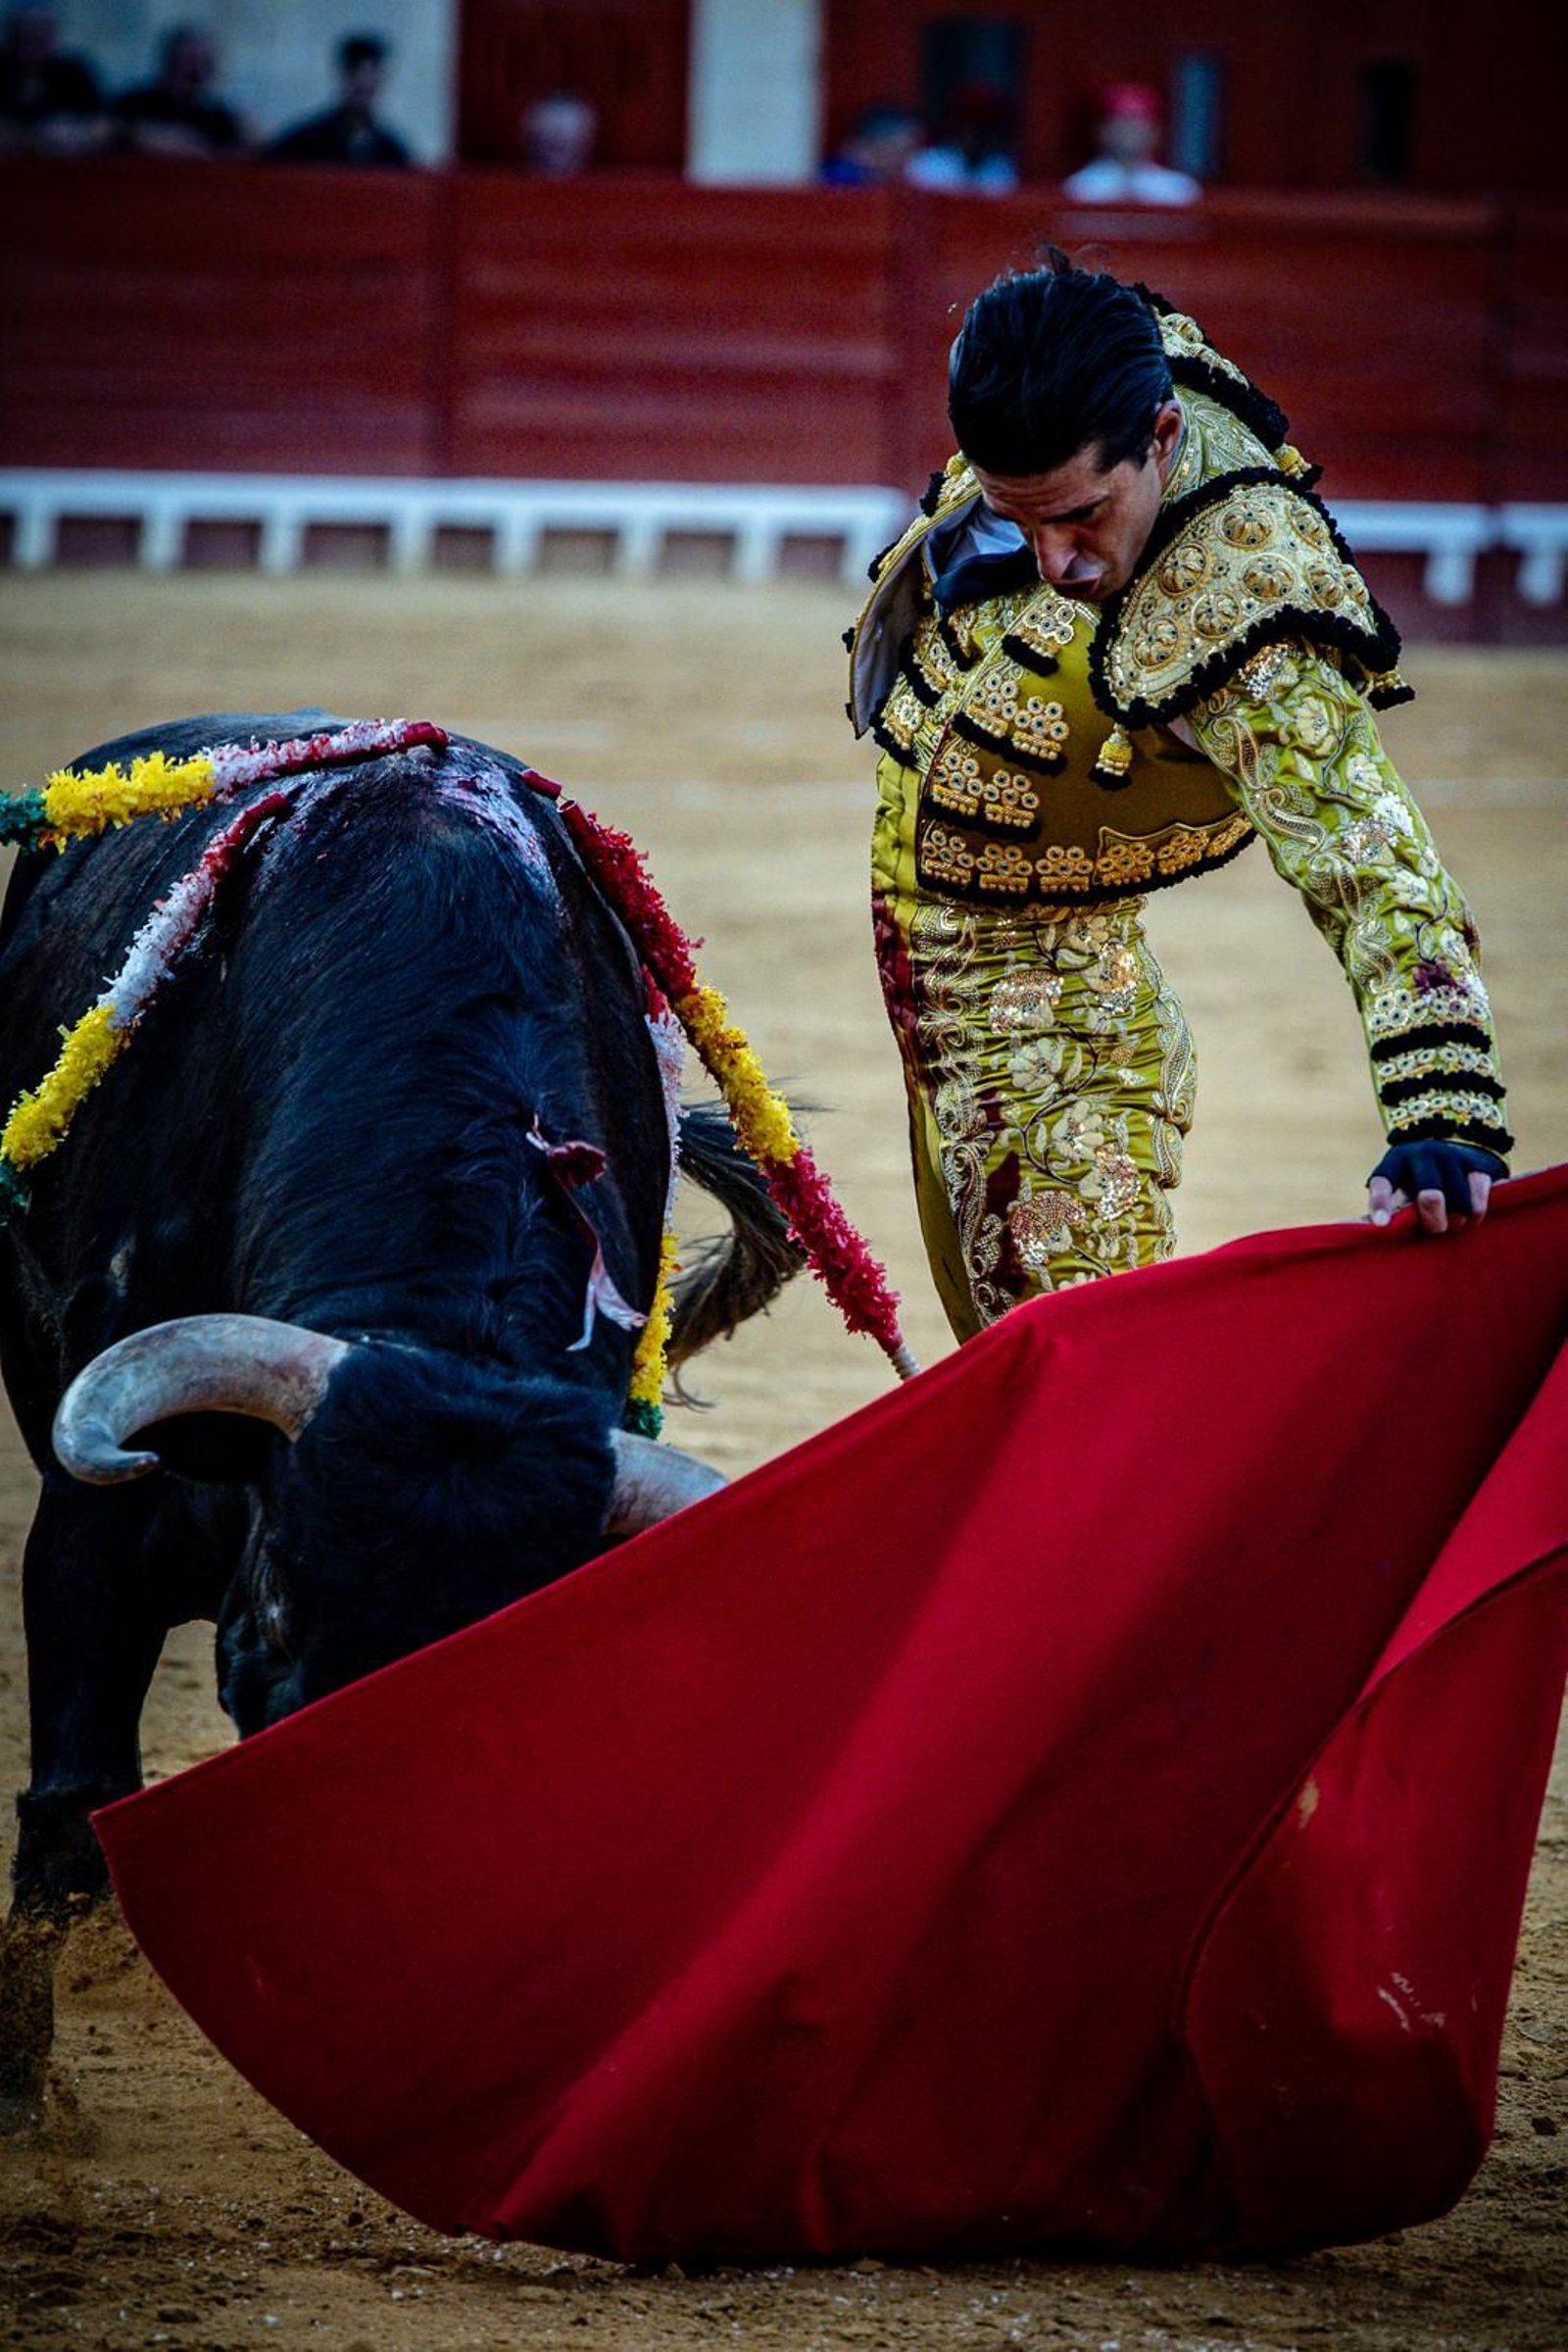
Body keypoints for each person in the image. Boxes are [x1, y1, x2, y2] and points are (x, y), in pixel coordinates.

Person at [847, 256, 1510, 1340]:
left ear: (1161, 440)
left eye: (1078, 519)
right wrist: (1017, 543)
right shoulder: (1097, 371)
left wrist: (1443, 1099)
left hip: (1052, 1002)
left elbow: (1370, 857)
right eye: (1020, 523)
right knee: (1004, 1331)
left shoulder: (1251, 605)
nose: (1054, 559)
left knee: (1061, 1362)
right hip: (948, 977)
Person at [267, 32, 411, 168]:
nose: (363, 82)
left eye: (371, 76)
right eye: (355, 73)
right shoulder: (305, 142)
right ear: (342, 76)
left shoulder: (391, 151)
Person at [113, 22, 246, 157]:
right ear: (170, 62)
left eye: (203, 63)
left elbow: (238, 150)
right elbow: (111, 131)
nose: (196, 70)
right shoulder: (133, 104)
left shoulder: (218, 118)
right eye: (189, 60)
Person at [1062, 83, 1200, 206]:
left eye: (1138, 126)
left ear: (1156, 133)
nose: (1130, 133)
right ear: (1101, 131)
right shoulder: (1079, 187)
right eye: (1121, 125)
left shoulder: (1179, 189)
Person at [0, 4, 106, 152]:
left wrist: (75, 132)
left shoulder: (73, 74)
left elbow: (102, 125)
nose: (32, 45)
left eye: (40, 35)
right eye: (25, 36)